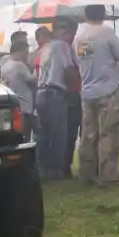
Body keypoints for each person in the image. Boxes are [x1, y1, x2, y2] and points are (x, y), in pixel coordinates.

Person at [74, 4, 119, 185]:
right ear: (103, 14)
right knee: (108, 134)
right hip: (108, 91)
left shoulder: (79, 37)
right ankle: (108, 176)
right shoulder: (107, 33)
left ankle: (87, 173)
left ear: (86, 15)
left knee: (89, 134)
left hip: (87, 91)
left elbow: (78, 61)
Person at [35, 19, 78, 180]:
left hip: (41, 93)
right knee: (58, 135)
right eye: (70, 32)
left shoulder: (44, 48)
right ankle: (57, 172)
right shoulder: (62, 46)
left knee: (43, 135)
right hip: (56, 93)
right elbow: (69, 71)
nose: (71, 36)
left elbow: (37, 73)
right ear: (62, 30)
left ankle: (42, 170)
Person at [58, 19, 84, 178]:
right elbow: (73, 71)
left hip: (73, 93)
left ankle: (68, 165)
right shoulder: (65, 47)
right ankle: (66, 166)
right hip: (72, 93)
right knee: (72, 132)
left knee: (73, 132)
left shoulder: (74, 45)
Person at [1, 39, 37, 133]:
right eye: (25, 52)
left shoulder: (5, 65)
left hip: (13, 104)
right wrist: (38, 69)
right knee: (27, 133)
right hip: (25, 105)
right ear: (19, 51)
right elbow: (33, 80)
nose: (26, 55)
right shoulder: (19, 65)